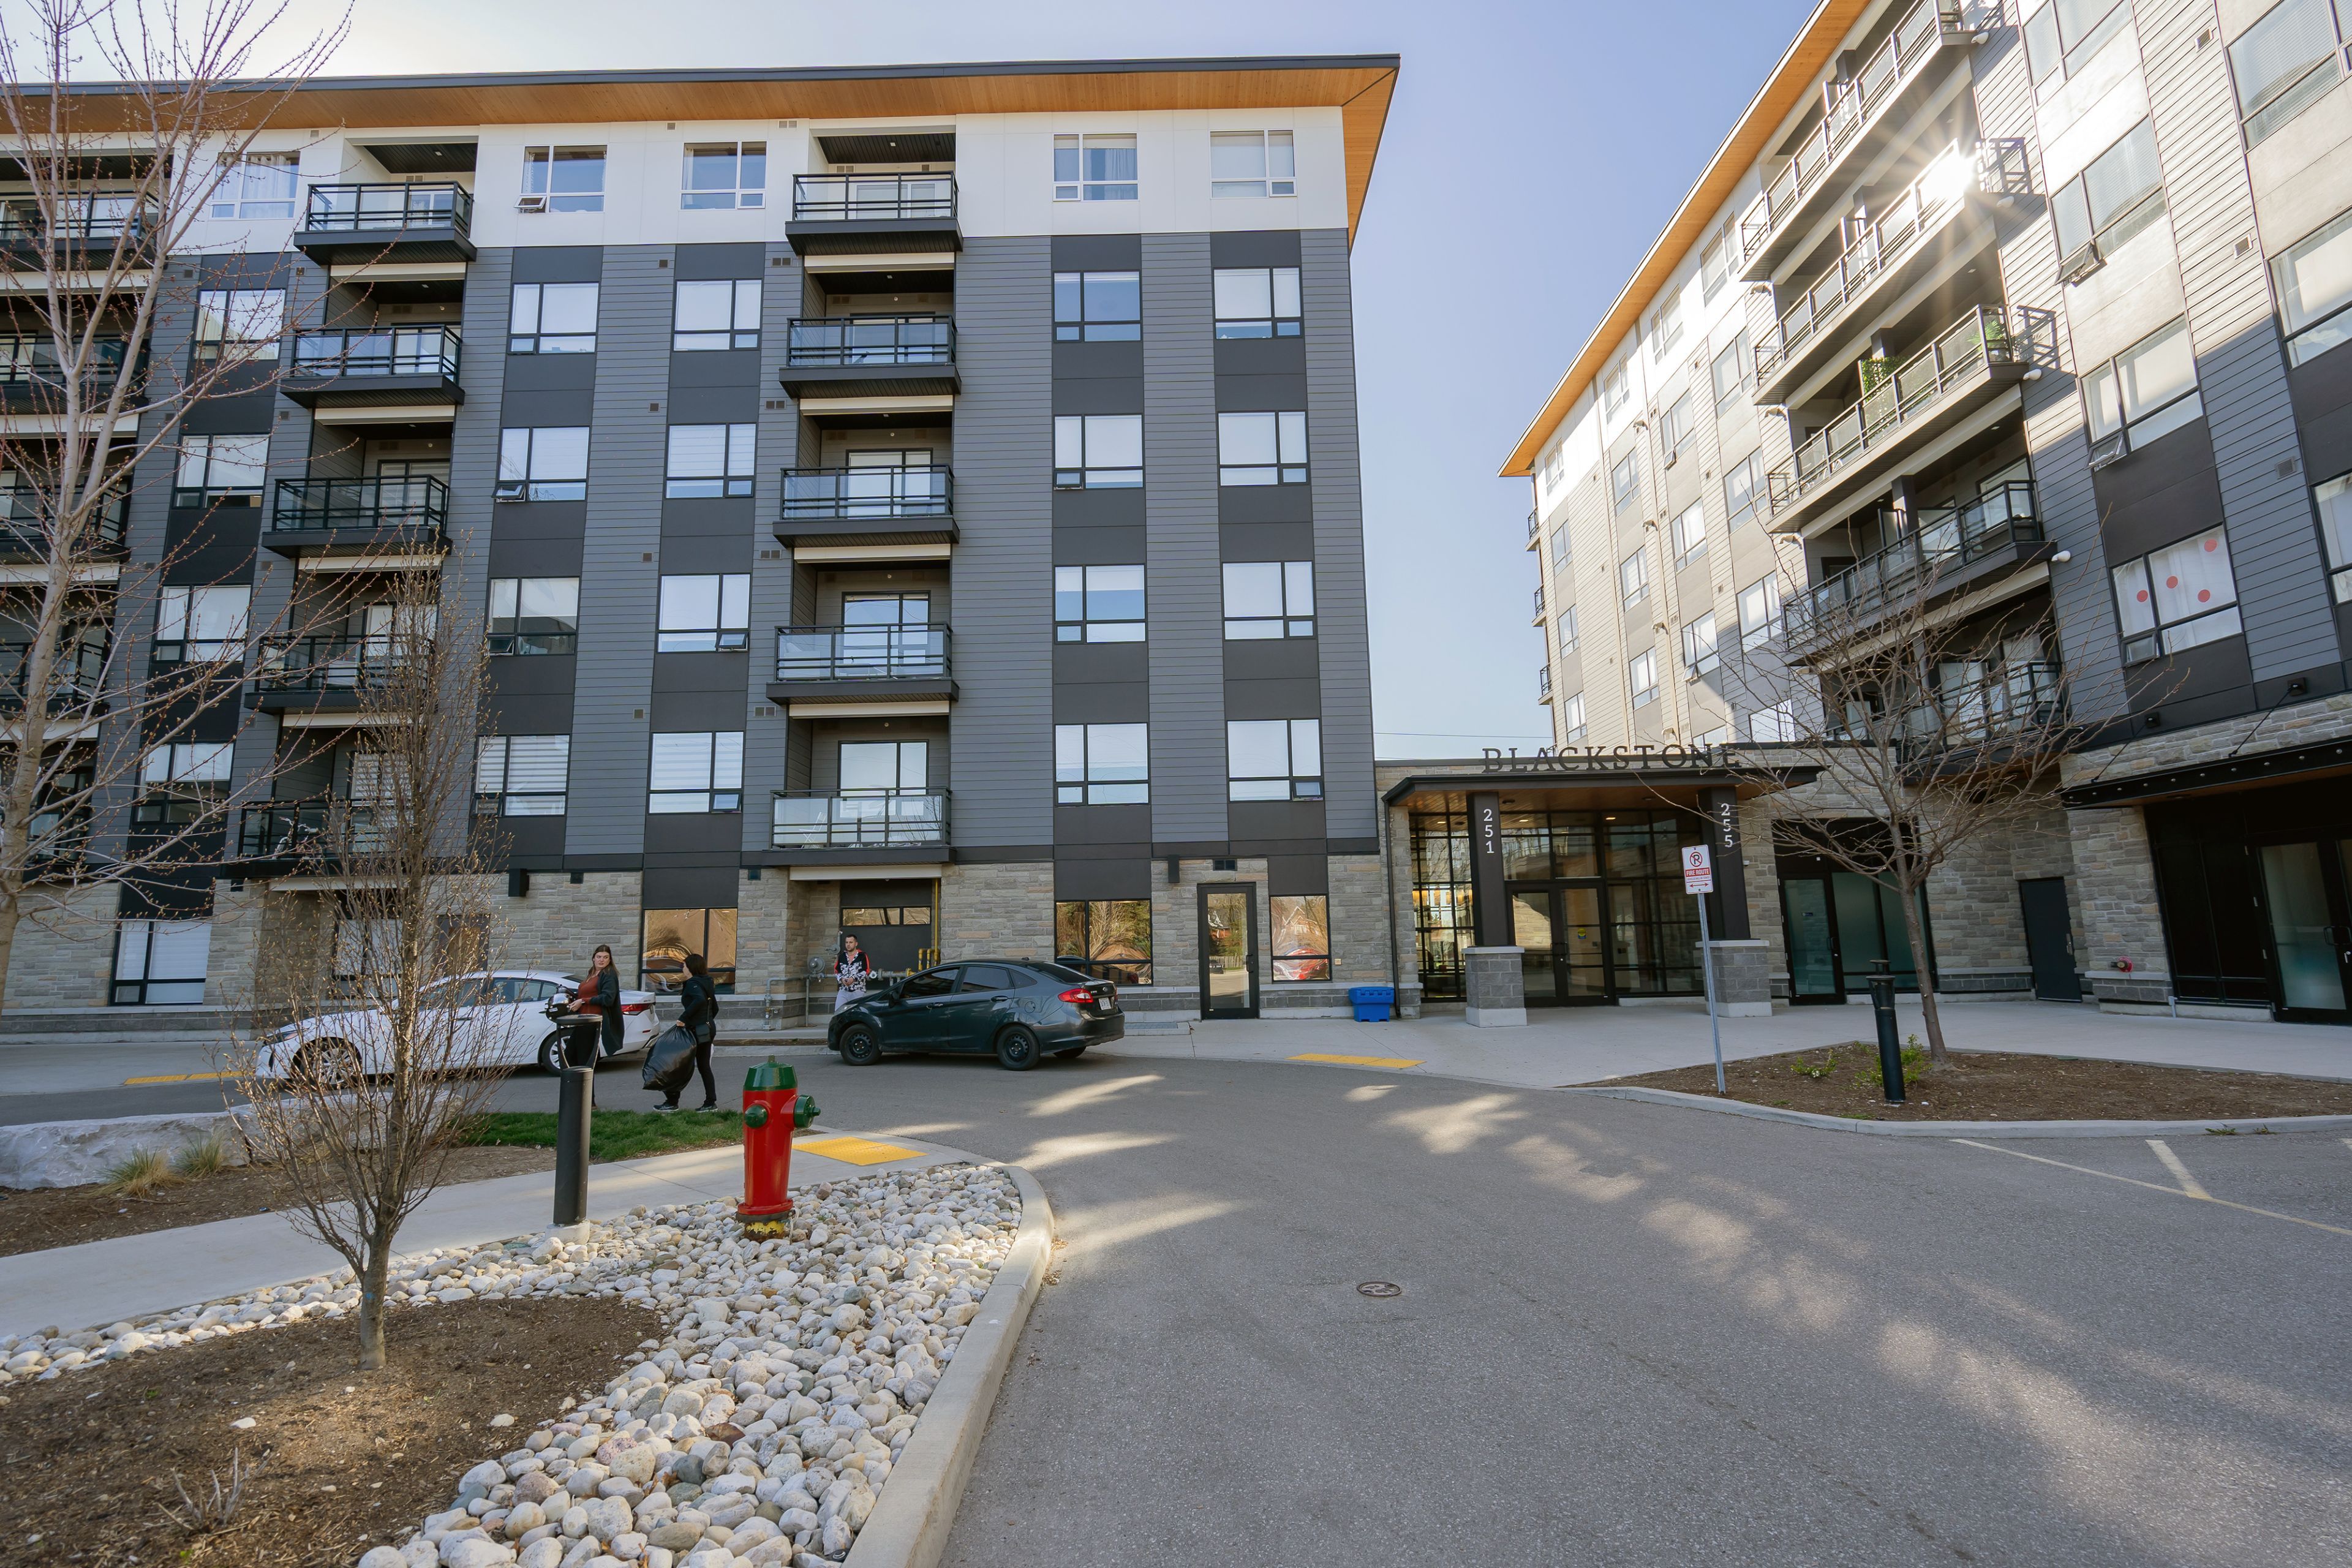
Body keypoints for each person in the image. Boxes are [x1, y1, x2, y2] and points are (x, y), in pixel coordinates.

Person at [658, 952, 720, 1113]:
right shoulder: (707, 982)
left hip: (695, 1030)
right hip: (707, 1029)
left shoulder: (693, 983)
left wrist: (684, 1018)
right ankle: (710, 1102)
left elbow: (699, 1000)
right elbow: (715, 1008)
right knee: (703, 1066)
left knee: (678, 1065)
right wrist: (706, 1020)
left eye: (684, 966)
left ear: (691, 967)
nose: (683, 969)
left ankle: (672, 1102)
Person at [568, 943, 623, 1066]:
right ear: (593, 958)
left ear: (610, 960)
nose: (601, 960)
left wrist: (583, 1001)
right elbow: (586, 994)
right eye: (599, 957)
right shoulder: (592, 973)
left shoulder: (609, 974)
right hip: (582, 1020)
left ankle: (585, 1079)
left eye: (605, 957)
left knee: (584, 1060)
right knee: (570, 1056)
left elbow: (608, 999)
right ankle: (576, 1079)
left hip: (592, 1021)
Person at [833, 933, 871, 1017]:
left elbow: (866, 971)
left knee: (856, 1015)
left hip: (858, 991)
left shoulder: (862, 956)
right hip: (843, 990)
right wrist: (842, 979)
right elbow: (837, 971)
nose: (848, 945)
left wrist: (853, 978)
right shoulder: (842, 956)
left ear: (856, 944)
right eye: (847, 942)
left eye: (851, 942)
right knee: (838, 1013)